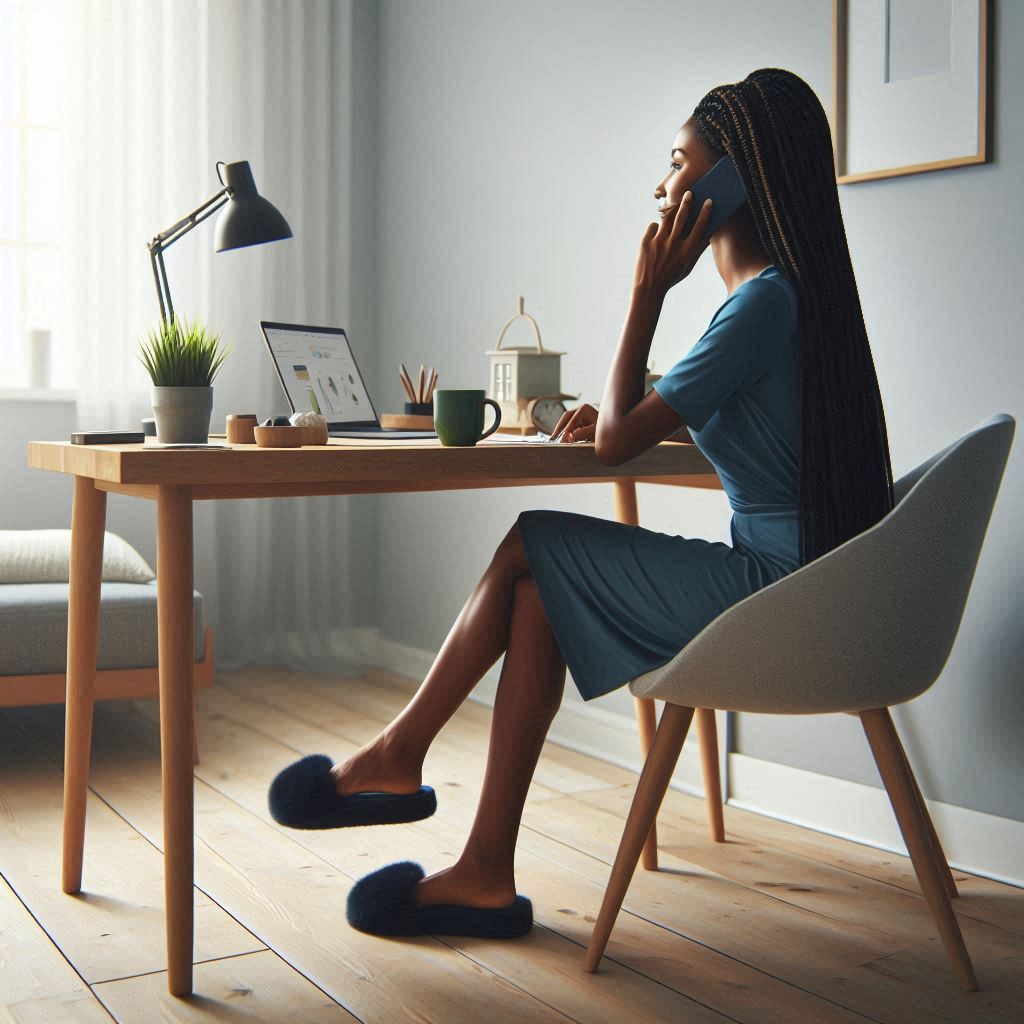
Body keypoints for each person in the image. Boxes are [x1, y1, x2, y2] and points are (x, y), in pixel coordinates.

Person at [268, 67, 896, 940]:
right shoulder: (787, 299)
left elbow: (612, 449)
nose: (663, 184)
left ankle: (397, 754)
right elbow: (675, 406)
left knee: (531, 541)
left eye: (679, 162)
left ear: (731, 182)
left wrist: (646, 295)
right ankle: (484, 870)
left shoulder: (758, 305)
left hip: (773, 594)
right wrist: (638, 394)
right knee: (538, 599)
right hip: (803, 586)